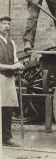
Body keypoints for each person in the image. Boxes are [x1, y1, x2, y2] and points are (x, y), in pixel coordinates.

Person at [0, 16, 24, 147]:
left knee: (8, 109)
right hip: (0, 77)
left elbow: (14, 60)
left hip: (9, 79)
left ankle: (7, 138)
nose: (7, 26)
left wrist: (18, 65)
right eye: (4, 24)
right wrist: (12, 67)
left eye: (8, 24)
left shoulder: (11, 43)